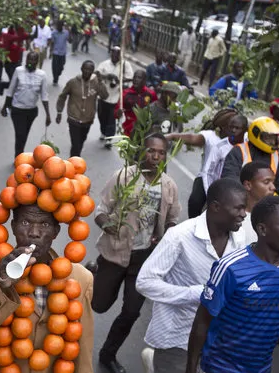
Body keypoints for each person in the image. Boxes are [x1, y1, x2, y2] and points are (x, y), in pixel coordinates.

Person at [0, 203, 94, 372]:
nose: (34, 233)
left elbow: (83, 353)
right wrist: (0, 288)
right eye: (25, 223)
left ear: (56, 231)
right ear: (13, 227)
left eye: (45, 224)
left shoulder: (80, 280)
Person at [185, 196, 279, 373]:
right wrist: (190, 369)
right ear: (263, 229)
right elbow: (202, 321)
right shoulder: (231, 268)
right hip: (219, 367)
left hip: (261, 368)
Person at [89, 132, 180, 373]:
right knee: (98, 304)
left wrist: (166, 235)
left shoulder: (168, 186)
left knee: (131, 312)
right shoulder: (124, 176)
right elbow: (101, 208)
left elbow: (172, 219)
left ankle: (107, 354)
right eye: (151, 151)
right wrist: (107, 225)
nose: (155, 156)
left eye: (161, 153)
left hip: (144, 260)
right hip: (114, 253)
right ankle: (92, 272)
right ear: (142, 151)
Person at [136, 178, 247, 373]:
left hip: (217, 338)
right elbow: (145, 282)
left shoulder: (240, 238)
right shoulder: (179, 236)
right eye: (238, 209)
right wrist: (194, 293)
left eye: (244, 208)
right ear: (215, 207)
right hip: (177, 337)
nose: (243, 214)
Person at [166, 109, 247, 218]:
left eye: (237, 127)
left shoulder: (245, 142)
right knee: (195, 201)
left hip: (230, 181)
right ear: (223, 126)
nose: (233, 130)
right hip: (206, 177)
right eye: (230, 126)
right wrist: (172, 136)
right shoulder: (211, 137)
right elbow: (191, 138)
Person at [221, 116, 279, 201]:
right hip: (240, 199)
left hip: (265, 201)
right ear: (256, 134)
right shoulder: (239, 151)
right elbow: (230, 178)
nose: (272, 141)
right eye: (268, 137)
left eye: (274, 137)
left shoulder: (276, 156)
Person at [0, 51, 51, 159]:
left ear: (37, 62)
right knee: (20, 134)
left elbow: (44, 95)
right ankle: (18, 157)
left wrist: (48, 115)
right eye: (29, 59)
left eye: (34, 60)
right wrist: (5, 106)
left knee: (24, 135)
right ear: (25, 60)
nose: (31, 62)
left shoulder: (42, 75)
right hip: (17, 109)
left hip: (31, 111)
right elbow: (11, 90)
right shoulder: (18, 71)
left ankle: (20, 154)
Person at [56, 60, 109, 157]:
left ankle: (74, 160)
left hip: (87, 120)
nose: (87, 71)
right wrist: (59, 111)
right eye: (85, 69)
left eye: (90, 70)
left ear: (93, 71)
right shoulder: (72, 82)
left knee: (81, 143)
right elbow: (62, 96)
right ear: (81, 69)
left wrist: (101, 81)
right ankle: (73, 164)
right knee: (75, 145)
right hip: (74, 119)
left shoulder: (96, 83)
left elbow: (105, 96)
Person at [97, 47, 134, 147]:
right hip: (104, 95)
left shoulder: (125, 65)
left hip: (116, 97)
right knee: (101, 116)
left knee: (111, 118)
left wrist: (118, 80)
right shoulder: (104, 64)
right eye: (113, 54)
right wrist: (106, 76)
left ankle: (109, 138)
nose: (115, 56)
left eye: (117, 54)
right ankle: (103, 132)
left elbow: (130, 78)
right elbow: (97, 74)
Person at [240, 162, 277, 243]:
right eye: (266, 182)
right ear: (248, 185)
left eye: (273, 182)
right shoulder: (234, 218)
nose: (273, 187)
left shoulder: (276, 215)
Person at [118, 70, 157, 138]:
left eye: (139, 77)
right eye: (135, 77)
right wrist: (118, 113)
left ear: (145, 81)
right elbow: (116, 111)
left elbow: (156, 110)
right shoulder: (125, 93)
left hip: (145, 132)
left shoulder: (151, 94)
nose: (136, 79)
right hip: (128, 132)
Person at [49, 20, 70, 86]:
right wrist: (50, 52)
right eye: (58, 26)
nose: (59, 27)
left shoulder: (66, 32)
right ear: (56, 26)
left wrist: (70, 32)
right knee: (54, 67)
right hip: (55, 52)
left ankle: (58, 74)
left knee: (61, 67)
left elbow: (70, 41)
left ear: (62, 26)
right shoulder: (54, 33)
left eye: (60, 26)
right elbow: (52, 43)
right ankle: (55, 80)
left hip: (63, 53)